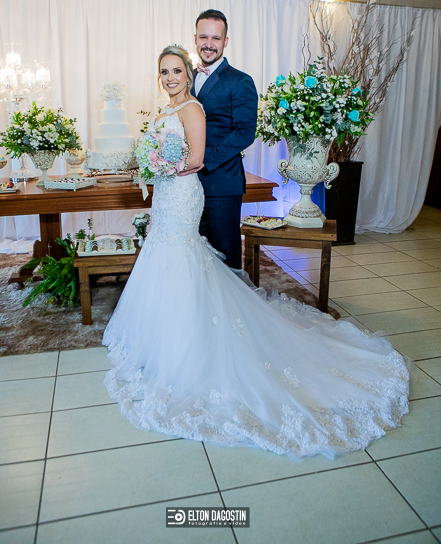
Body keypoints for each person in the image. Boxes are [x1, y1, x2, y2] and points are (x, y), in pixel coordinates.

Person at [103, 44, 410, 460]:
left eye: (176, 70)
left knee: (182, 255)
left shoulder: (192, 109)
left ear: (188, 74)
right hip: (165, 196)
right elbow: (164, 153)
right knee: (164, 252)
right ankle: (160, 340)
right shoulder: (163, 111)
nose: (170, 78)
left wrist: (158, 165)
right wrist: (151, 163)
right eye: (164, 71)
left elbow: (197, 158)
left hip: (182, 192)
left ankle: (190, 344)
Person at [189, 10, 258, 273]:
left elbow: (244, 133)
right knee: (195, 255)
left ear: (225, 41)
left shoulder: (240, 81)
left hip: (222, 183)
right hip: (188, 184)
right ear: (195, 38)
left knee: (225, 258)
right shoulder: (187, 78)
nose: (209, 44)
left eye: (216, 38)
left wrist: (203, 160)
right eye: (203, 37)